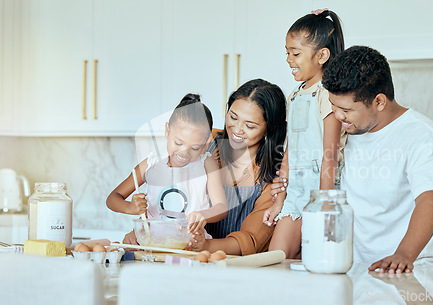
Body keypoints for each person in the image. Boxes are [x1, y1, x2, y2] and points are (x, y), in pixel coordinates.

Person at [322, 46, 433, 273]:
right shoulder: (350, 132)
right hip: (360, 269)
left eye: (346, 109)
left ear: (380, 101)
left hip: (418, 269)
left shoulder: (424, 137)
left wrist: (404, 254)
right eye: (333, 106)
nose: (337, 116)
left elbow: (430, 202)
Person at [262, 9, 347, 258]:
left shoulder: (327, 95)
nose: (289, 59)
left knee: (317, 263)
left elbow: (330, 155)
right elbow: (291, 150)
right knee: (275, 259)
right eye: (287, 52)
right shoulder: (296, 95)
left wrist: (323, 206)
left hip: (323, 194)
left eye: (295, 53)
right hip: (295, 195)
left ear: (322, 55)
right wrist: (280, 201)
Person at [186, 79, 287, 255]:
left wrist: (205, 246)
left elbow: (251, 240)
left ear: (269, 130)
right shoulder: (204, 141)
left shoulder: (273, 179)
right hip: (184, 254)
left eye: (249, 126)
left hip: (235, 268)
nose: (237, 130)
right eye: (233, 117)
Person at [106, 94, 228, 235]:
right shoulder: (150, 164)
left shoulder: (206, 164)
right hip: (152, 245)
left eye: (195, 148)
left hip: (191, 246)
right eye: (178, 143)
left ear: (206, 142)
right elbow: (112, 198)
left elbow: (221, 207)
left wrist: (203, 215)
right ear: (167, 131)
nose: (184, 152)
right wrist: (129, 207)